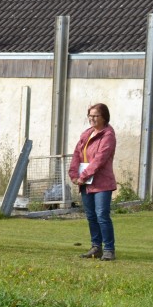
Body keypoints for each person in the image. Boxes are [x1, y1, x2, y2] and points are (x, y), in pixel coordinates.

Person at [68, 103, 118, 260]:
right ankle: (96, 247)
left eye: (96, 116)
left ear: (104, 117)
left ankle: (109, 249)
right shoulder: (86, 134)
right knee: (91, 216)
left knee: (102, 214)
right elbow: (77, 154)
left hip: (102, 183)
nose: (92, 119)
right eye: (90, 115)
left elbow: (99, 160)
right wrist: (74, 174)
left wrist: (83, 176)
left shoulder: (108, 135)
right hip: (86, 183)